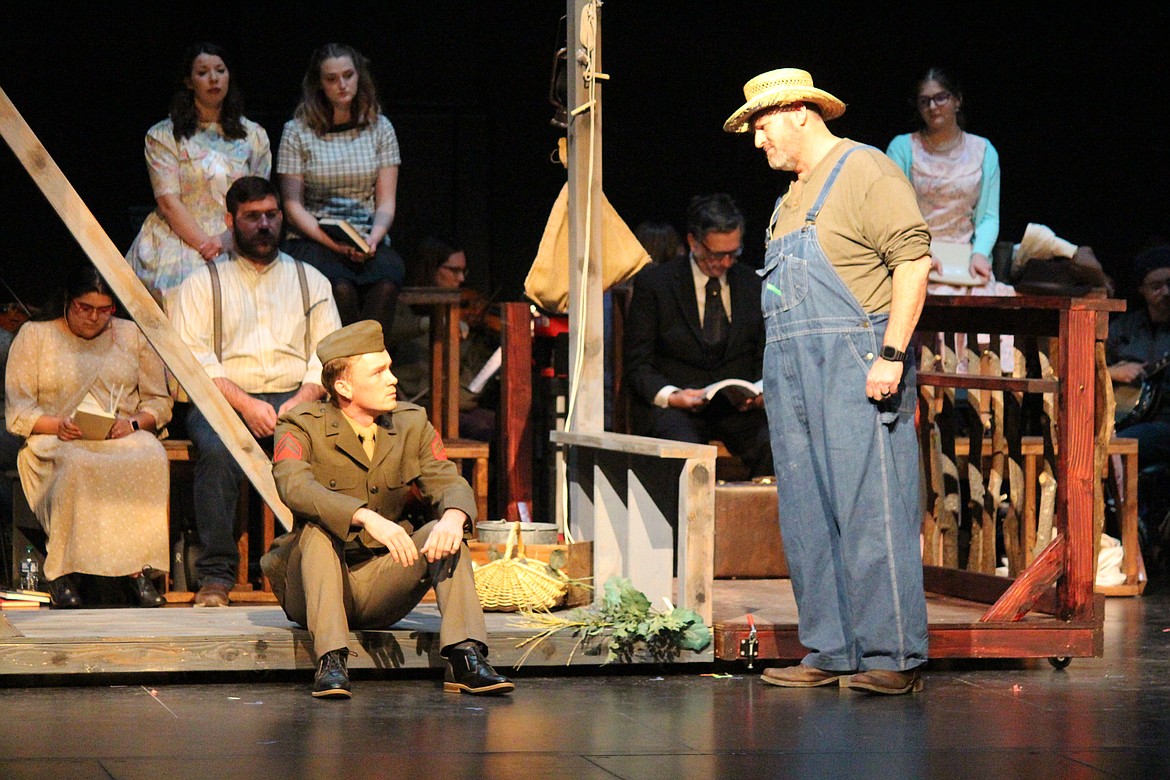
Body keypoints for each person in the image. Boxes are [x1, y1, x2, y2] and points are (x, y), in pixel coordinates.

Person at [724, 67, 932, 694]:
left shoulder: (865, 170)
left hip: (857, 360)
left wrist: (891, 353)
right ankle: (833, 649)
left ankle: (892, 656)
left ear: (798, 113)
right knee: (807, 511)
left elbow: (914, 263)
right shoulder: (790, 198)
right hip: (792, 371)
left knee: (873, 506)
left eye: (762, 127)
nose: (757, 141)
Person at [262, 320, 514, 699]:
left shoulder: (411, 424)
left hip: (380, 583)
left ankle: (466, 654)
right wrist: (364, 515)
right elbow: (294, 485)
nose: (392, 379)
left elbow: (446, 480)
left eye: (390, 368)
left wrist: (453, 515)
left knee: (446, 533)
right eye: (378, 371)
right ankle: (330, 659)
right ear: (343, 386)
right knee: (317, 530)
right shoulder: (300, 425)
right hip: (316, 583)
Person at [170, 176, 342, 607]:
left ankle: (320, 566)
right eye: (252, 217)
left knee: (330, 445)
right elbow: (194, 360)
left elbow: (327, 356)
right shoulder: (202, 283)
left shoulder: (311, 280)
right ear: (230, 221)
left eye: (271, 215)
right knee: (215, 448)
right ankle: (215, 575)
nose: (264, 225)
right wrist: (246, 406)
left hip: (297, 397)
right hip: (225, 399)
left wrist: (295, 405)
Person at [5, 265, 173, 608]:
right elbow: (19, 408)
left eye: (104, 310)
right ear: (69, 301)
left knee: (150, 455)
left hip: (119, 435)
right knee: (78, 463)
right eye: (86, 308)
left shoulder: (131, 335)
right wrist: (57, 424)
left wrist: (135, 424)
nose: (95, 318)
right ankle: (64, 572)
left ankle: (137, 570)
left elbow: (158, 401)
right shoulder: (35, 336)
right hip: (57, 439)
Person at [622, 194, 773, 478]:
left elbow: (766, 352)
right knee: (685, 453)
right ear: (693, 242)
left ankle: (758, 520)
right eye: (717, 254)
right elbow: (637, 365)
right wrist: (673, 396)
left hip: (737, 410)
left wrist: (761, 390)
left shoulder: (752, 284)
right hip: (679, 408)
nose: (726, 262)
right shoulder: (656, 285)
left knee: (778, 443)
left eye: (733, 253)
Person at [125, 42, 271, 309]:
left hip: (235, 233)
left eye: (220, 70)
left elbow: (258, 198)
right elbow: (169, 201)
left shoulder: (253, 135)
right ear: (189, 82)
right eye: (203, 72)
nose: (213, 78)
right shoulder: (164, 135)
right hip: (180, 233)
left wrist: (227, 239)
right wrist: (206, 244)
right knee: (188, 289)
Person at [277, 43, 405, 344]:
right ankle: (344, 369)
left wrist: (374, 237)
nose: (342, 85)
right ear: (319, 84)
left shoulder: (380, 128)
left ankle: (370, 366)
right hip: (316, 237)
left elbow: (386, 202)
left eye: (348, 75)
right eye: (332, 79)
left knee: (387, 281)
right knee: (340, 288)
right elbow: (293, 206)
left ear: (359, 77)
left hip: (365, 236)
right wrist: (334, 245)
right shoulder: (297, 131)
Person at [885, 68, 1007, 296]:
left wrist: (980, 253)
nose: (933, 107)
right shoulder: (903, 148)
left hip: (967, 260)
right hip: (917, 257)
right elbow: (894, 213)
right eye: (925, 101)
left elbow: (989, 217)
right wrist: (921, 252)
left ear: (957, 100)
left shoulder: (983, 151)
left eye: (941, 97)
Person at [386, 236, 498, 442]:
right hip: (415, 402)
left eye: (463, 271)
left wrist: (475, 339)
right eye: (453, 271)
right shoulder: (401, 306)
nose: (461, 279)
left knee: (497, 424)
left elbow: (468, 391)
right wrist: (432, 323)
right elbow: (388, 330)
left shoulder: (460, 319)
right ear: (431, 269)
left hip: (453, 403)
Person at [1107, 245, 1170, 561]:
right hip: (1123, 421)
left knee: (1123, 446)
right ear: (1142, 290)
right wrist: (1112, 372)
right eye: (1156, 286)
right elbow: (1083, 367)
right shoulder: (1124, 329)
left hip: (1164, 425)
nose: (1165, 292)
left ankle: (1140, 531)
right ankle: (1128, 532)